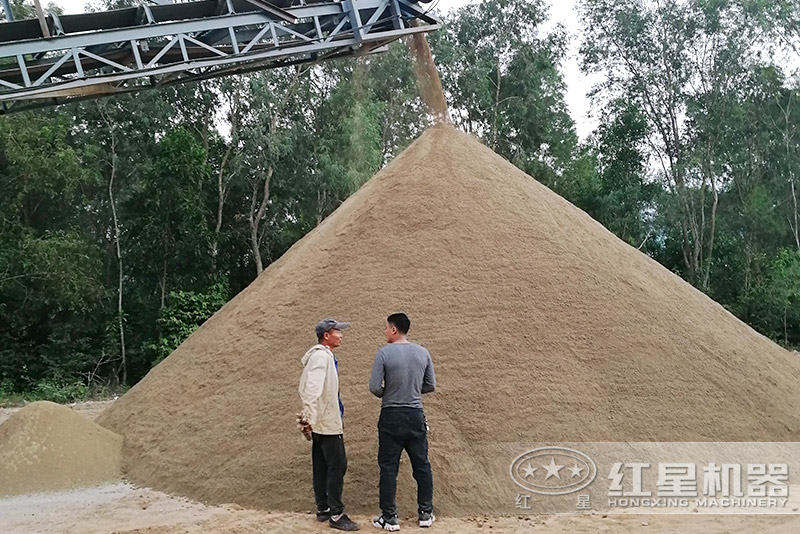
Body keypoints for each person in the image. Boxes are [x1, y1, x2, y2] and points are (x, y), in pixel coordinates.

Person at [368, 312, 436, 531]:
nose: (385, 331)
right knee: (422, 466)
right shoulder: (423, 352)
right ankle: (425, 514)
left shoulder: (383, 353)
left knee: (388, 468)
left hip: (391, 415)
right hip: (415, 414)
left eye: (387, 328)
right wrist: (412, 390)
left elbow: (374, 387)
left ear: (394, 329)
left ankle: (389, 518)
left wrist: (391, 393)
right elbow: (430, 385)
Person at [298, 318, 359, 531]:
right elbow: (312, 389)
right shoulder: (320, 358)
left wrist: (311, 419)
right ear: (326, 335)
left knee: (321, 465)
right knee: (338, 465)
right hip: (326, 422)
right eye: (337, 331)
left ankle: (323, 509)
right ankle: (336, 514)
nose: (341, 335)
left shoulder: (322, 356)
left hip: (321, 421)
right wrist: (309, 417)